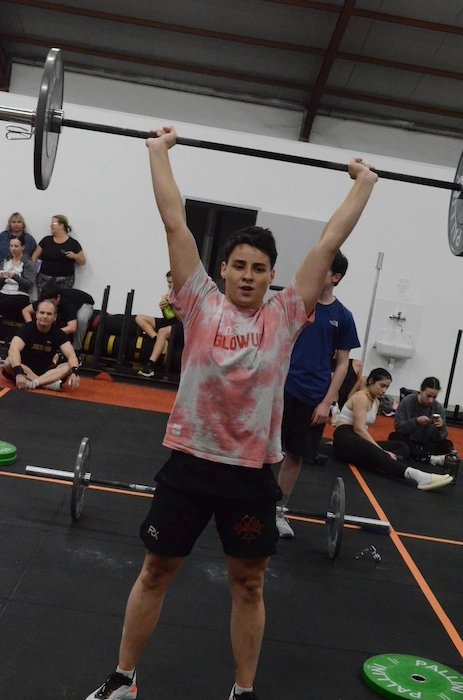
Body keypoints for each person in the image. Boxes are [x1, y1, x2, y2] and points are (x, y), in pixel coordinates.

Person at [83, 126, 378, 700]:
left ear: (272, 276)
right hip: (190, 464)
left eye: (259, 268)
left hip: (249, 474)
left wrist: (363, 183)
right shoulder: (198, 303)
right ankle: (123, 679)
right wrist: (158, 152)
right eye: (239, 265)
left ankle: (243, 691)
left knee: (248, 584)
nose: (248, 275)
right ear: (222, 269)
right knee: (155, 571)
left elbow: (328, 242)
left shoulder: (285, 316)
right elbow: (175, 222)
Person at [275, 250, 360, 538]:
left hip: (312, 395)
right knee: (263, 448)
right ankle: (251, 502)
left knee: (295, 454)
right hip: (281, 386)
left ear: (336, 277)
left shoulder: (343, 316)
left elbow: (343, 363)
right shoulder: (299, 302)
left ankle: (277, 510)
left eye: (324, 268)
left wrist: (327, 401)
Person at [332, 368, 453, 491]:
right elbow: (358, 429)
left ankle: (380, 460)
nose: (384, 390)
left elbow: (360, 431)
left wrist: (440, 427)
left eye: (387, 387)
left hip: (354, 439)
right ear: (371, 381)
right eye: (382, 386)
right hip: (346, 436)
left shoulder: (375, 401)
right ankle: (418, 476)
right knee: (382, 450)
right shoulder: (361, 397)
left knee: (401, 447)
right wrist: (381, 451)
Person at [2, 299, 80, 391]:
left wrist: (75, 372)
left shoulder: (59, 333)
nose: (45, 316)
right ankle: (46, 383)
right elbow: (13, 349)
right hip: (25, 368)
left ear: (55, 317)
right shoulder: (27, 329)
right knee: (8, 362)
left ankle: (34, 383)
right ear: (37, 314)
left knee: (69, 366)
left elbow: (71, 355)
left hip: (47, 371)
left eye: (49, 314)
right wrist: (19, 372)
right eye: (42, 313)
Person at [388, 377, 453, 465]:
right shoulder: (407, 402)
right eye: (428, 396)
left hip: (426, 444)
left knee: (448, 444)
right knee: (394, 436)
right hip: (409, 441)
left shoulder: (438, 408)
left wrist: (441, 428)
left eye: (434, 397)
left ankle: (417, 455)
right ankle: (425, 457)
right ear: (421, 390)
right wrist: (416, 422)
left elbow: (441, 437)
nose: (431, 400)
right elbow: (399, 428)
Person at [22, 280, 94, 355]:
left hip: (85, 304)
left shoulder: (67, 304)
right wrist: (32, 327)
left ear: (58, 297)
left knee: (81, 319)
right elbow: (25, 311)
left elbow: (72, 328)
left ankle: (76, 349)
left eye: (51, 302)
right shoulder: (44, 300)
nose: (48, 304)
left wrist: (52, 333)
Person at [135, 270, 181, 377]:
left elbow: (181, 319)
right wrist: (163, 309)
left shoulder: (184, 295)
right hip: (169, 320)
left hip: (180, 324)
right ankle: (156, 339)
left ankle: (150, 365)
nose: (169, 285)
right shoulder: (169, 293)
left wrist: (172, 304)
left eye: (170, 282)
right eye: (168, 282)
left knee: (162, 331)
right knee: (139, 318)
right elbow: (167, 317)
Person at [32, 215, 86, 294]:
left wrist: (75, 256)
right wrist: (32, 271)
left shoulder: (73, 243)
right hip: (44, 279)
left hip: (65, 280)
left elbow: (82, 262)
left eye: (53, 224)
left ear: (61, 226)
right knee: (44, 300)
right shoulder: (46, 240)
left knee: (62, 300)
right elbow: (35, 256)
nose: (50, 226)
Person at [0, 233, 36, 318]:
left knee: (9, 303)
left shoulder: (27, 262)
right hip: (4, 291)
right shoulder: (6, 261)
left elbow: (29, 284)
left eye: (16, 246)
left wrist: (15, 277)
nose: (13, 249)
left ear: (22, 247)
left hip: (19, 293)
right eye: (11, 246)